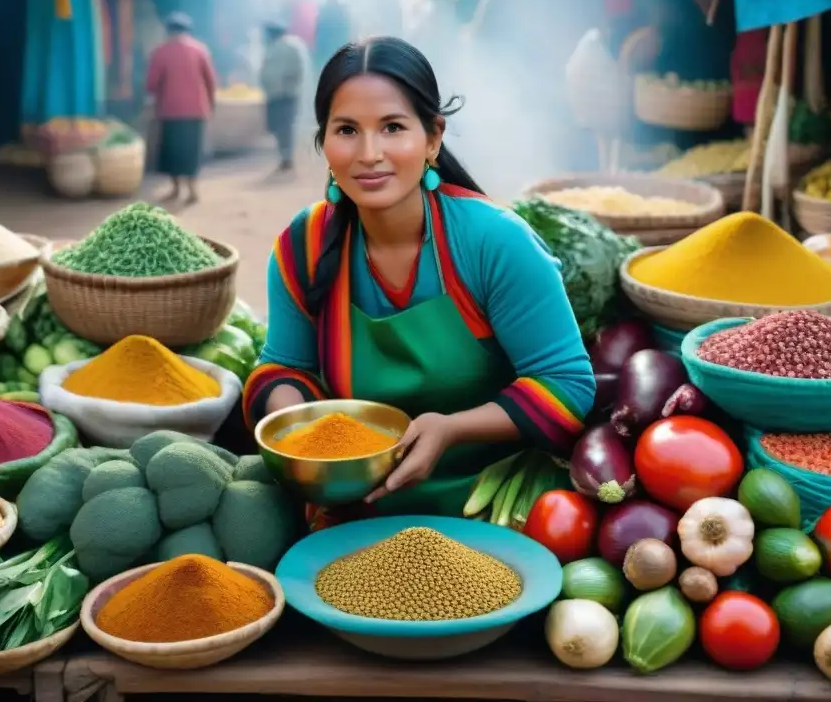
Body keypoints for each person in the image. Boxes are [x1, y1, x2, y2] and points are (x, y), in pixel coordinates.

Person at [243, 37, 595, 530]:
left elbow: (568, 386)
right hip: (352, 507)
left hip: (489, 508)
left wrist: (449, 430)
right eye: (347, 129)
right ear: (324, 142)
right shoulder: (303, 247)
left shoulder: (493, 242)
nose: (369, 153)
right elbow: (281, 366)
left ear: (433, 137)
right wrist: (300, 433)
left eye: (392, 127)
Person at [146, 12, 217, 206]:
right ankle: (193, 189)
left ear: (168, 30)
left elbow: (151, 84)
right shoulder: (200, 50)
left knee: (172, 150)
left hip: (170, 111)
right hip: (196, 110)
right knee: (192, 150)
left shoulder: (160, 52)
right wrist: (210, 104)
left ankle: (176, 188)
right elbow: (211, 81)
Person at [260, 21, 309, 173]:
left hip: (286, 92)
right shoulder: (274, 46)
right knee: (279, 126)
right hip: (276, 93)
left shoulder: (291, 45)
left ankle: (287, 157)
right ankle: (285, 155)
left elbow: (298, 69)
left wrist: (289, 83)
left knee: (285, 126)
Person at [314, 0, 353, 75]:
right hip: (324, 46)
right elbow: (319, 29)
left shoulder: (343, 10)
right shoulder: (324, 8)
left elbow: (347, 28)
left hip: (338, 45)